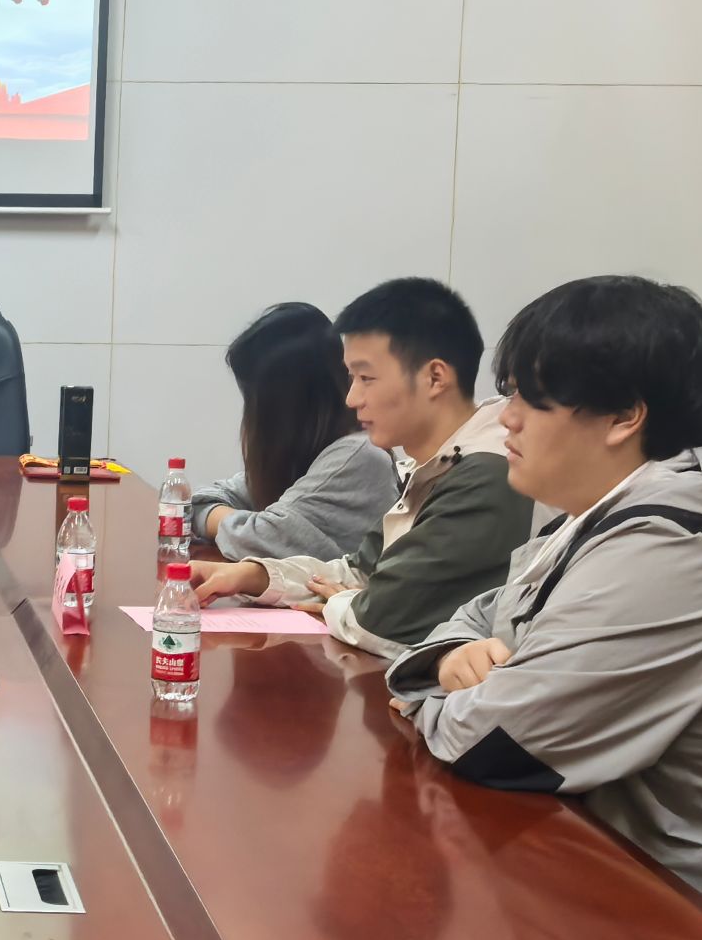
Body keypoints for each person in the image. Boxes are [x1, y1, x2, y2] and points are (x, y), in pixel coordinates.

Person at [388, 276, 702, 897]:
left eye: (530, 399)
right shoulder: (597, 517)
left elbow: (491, 745)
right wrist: (446, 660)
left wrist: (428, 690)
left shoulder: (669, 551)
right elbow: (478, 615)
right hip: (604, 852)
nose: (505, 419)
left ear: (624, 416)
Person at [192, 277, 533, 657]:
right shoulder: (435, 464)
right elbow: (359, 570)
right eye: (351, 377)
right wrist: (254, 575)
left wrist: (351, 601)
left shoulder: (484, 472)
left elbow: (380, 622)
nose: (352, 398)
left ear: (435, 377)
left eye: (366, 378)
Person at [189, 302, 399, 561]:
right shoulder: (312, 453)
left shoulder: (360, 455)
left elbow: (261, 538)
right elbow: (198, 501)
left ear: (283, 401)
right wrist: (239, 521)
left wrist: (237, 522)